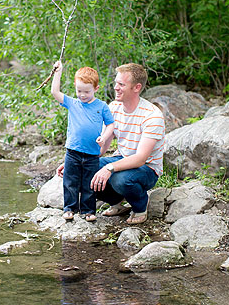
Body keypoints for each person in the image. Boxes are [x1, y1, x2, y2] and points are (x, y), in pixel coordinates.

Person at [58, 63, 165, 225]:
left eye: (121, 84)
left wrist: (109, 168)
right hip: (121, 158)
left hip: (147, 168)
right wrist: (74, 160)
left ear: (136, 87)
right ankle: (117, 203)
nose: (116, 88)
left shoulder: (152, 116)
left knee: (120, 180)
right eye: (116, 83)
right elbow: (100, 148)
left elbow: (140, 159)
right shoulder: (114, 108)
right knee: (83, 169)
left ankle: (140, 207)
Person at [51, 60, 115, 222]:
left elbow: (111, 125)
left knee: (89, 184)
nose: (82, 95)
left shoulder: (101, 106)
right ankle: (69, 208)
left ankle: (88, 211)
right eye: (79, 91)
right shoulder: (73, 103)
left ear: (96, 89)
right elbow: (55, 92)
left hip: (92, 154)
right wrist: (58, 72)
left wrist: (105, 136)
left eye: (87, 92)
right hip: (72, 152)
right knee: (70, 181)